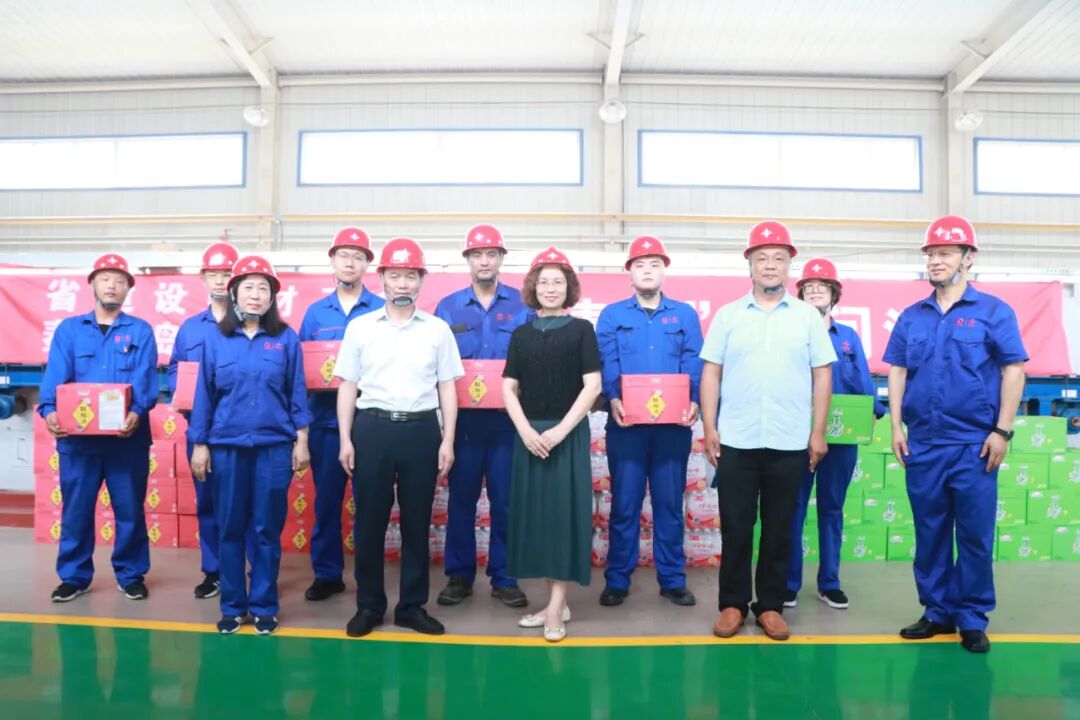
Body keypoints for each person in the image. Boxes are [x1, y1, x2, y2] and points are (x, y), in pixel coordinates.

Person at [884, 215, 1027, 654]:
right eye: (931, 254)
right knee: (929, 532)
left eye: (945, 253)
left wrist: (1002, 430)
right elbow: (898, 370)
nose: (935, 261)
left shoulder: (994, 312)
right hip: (925, 444)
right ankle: (937, 611)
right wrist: (895, 426)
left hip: (975, 445)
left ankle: (972, 617)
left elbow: (1013, 370)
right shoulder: (913, 316)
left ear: (968, 258)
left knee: (974, 535)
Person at [700, 221, 836, 642]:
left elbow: (822, 374)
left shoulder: (807, 318)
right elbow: (711, 372)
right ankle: (732, 604)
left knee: (780, 528)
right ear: (750, 265)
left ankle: (771, 607)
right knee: (736, 526)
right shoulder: (728, 316)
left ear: (789, 265)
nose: (771, 265)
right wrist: (709, 425)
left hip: (788, 440)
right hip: (736, 439)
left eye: (779, 258)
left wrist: (817, 431)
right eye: (762, 258)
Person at [335, 237, 464, 638]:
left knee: (417, 523)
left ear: (421, 280)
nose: (403, 283)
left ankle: (411, 607)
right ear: (383, 279)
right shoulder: (360, 328)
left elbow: (447, 387)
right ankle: (369, 606)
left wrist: (447, 439)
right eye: (395, 276)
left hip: (421, 431)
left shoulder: (438, 330)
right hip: (372, 428)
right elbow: (347, 385)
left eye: (410, 276)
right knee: (369, 523)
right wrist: (345, 439)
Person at [188, 255, 312, 636]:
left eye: (263, 288)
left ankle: (263, 606)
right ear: (234, 293)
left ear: (273, 296)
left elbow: (297, 392)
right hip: (226, 448)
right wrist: (200, 444)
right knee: (229, 528)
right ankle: (232, 606)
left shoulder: (286, 339)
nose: (255, 295)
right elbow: (204, 395)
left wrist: (302, 440)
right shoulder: (216, 339)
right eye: (248, 288)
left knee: (265, 530)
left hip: (273, 449)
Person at [39, 254, 159, 602]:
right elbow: (55, 376)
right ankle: (74, 576)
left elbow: (146, 378)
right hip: (78, 443)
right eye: (105, 278)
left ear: (128, 289)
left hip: (127, 440)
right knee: (76, 511)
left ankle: (131, 574)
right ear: (92, 283)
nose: (112, 286)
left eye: (120, 280)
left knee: (130, 510)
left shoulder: (140, 331)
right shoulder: (69, 330)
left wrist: (138, 410)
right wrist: (49, 410)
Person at [595, 235, 704, 608]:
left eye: (654, 264)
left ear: (664, 271)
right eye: (639, 265)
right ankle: (617, 580)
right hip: (627, 427)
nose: (647, 271)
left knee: (669, 505)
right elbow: (607, 360)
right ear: (629, 272)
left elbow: (693, 359)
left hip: (672, 429)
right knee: (625, 505)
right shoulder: (612, 315)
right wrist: (613, 398)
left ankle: (672, 579)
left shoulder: (684, 315)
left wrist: (694, 400)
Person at [503, 246, 602, 642]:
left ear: (568, 288)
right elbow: (508, 388)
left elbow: (592, 386)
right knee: (541, 522)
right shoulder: (521, 334)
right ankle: (554, 603)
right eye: (543, 282)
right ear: (533, 288)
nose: (550, 288)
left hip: (567, 436)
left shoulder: (582, 330)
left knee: (563, 520)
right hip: (530, 438)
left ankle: (556, 608)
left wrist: (559, 431)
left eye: (557, 282)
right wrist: (526, 431)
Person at [435, 224, 529, 609]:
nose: (484, 261)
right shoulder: (448, 308)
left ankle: (505, 577)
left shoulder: (523, 305)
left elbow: (532, 363)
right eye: (477, 254)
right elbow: (437, 365)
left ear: (502, 258)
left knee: (507, 501)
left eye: (491, 254)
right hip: (464, 424)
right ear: (468, 260)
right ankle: (459, 576)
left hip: (509, 422)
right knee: (462, 500)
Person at [784, 258, 885, 610]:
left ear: (834, 294)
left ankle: (829, 583)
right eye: (809, 287)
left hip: (841, 435)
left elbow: (862, 378)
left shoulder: (848, 337)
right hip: (796, 434)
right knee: (793, 508)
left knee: (832, 509)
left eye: (822, 287)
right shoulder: (789, 332)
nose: (815, 292)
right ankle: (788, 584)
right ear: (800, 295)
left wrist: (873, 409)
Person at [298, 228, 385, 602]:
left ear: (368, 264)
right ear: (332, 261)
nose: (350, 263)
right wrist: (301, 431)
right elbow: (300, 371)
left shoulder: (381, 310)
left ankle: (368, 575)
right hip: (324, 424)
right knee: (326, 503)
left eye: (358, 256)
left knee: (370, 505)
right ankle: (327, 573)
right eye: (343, 255)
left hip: (370, 423)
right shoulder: (315, 313)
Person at [167, 239, 239, 600]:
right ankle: (214, 571)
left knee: (245, 505)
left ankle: (245, 569)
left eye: (227, 273)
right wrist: (181, 395)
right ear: (203, 278)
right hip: (201, 430)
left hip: (242, 431)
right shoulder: (191, 329)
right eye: (214, 273)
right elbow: (175, 370)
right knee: (207, 501)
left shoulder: (252, 324)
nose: (220, 280)